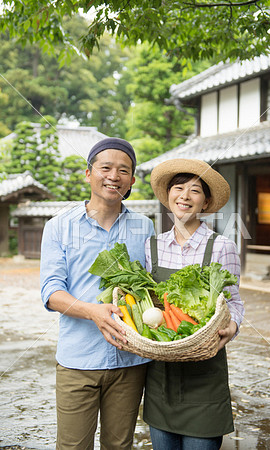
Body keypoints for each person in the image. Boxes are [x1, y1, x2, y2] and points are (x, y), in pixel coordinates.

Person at [40, 138, 155, 449]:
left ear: (132, 180)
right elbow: (51, 292)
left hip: (130, 361)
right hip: (78, 359)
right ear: (88, 173)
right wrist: (92, 311)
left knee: (120, 446)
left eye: (123, 170)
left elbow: (153, 288)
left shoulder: (145, 228)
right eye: (105, 167)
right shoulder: (59, 227)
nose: (113, 176)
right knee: (73, 445)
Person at [143, 158, 245, 450]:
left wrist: (231, 328)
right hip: (161, 371)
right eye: (178, 188)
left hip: (205, 369)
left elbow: (234, 301)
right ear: (168, 196)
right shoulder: (153, 246)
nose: (185, 196)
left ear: (206, 201)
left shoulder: (222, 246)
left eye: (195, 190)